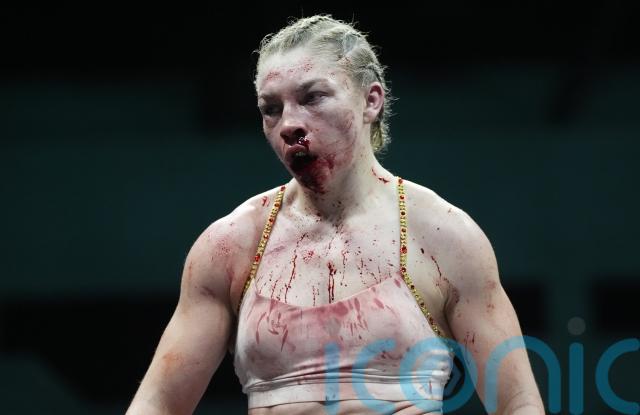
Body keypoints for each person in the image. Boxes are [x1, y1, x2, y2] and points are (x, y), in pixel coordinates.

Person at [127, 15, 544, 415]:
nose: (289, 124)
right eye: (271, 108)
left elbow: (518, 404)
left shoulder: (443, 236)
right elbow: (158, 404)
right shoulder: (230, 245)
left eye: (312, 98)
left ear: (371, 101)